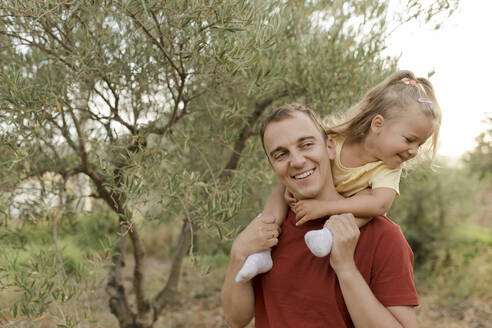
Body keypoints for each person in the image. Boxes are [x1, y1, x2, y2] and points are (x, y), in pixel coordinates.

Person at [221, 102, 420, 327]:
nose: (296, 161)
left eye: (306, 144)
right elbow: (236, 319)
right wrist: (238, 253)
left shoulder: (384, 236)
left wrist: (346, 269)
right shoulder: (266, 234)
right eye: (280, 155)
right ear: (273, 166)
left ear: (330, 148)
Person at [235, 70, 441, 283]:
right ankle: (263, 251)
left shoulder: (388, 168)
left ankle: (327, 236)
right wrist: (292, 187)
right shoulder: (338, 138)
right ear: (378, 124)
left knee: (368, 208)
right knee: (279, 191)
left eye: (420, 144)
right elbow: (306, 161)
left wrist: (325, 208)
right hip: (317, 195)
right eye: (409, 140)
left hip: (342, 208)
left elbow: (380, 205)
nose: (414, 151)